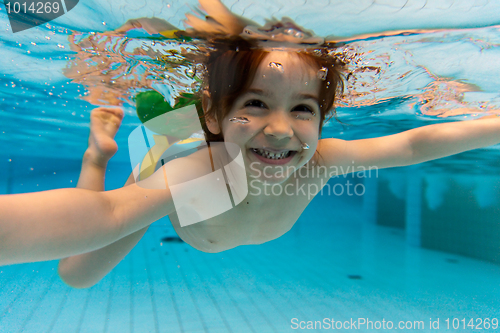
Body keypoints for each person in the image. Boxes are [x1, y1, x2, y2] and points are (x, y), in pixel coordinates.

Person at [1, 0, 500, 289]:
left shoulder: (321, 160)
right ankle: (102, 153)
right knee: (77, 274)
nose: (281, 129)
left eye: (303, 109)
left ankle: (169, 117)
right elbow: (106, 216)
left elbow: (411, 146)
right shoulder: (200, 174)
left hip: (209, 127)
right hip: (180, 145)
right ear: (220, 112)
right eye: (257, 103)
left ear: (325, 119)